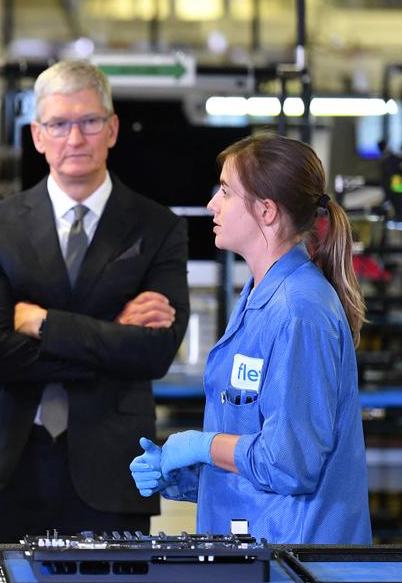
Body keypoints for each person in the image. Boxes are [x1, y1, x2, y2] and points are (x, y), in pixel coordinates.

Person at [0, 60, 190, 541]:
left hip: (112, 472)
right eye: (59, 124)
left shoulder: (157, 227)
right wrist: (111, 334)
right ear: (38, 135)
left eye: (88, 122)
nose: (75, 137)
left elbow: (152, 353)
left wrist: (43, 323)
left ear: (112, 129)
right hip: (5, 467)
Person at [130, 133, 372, 544]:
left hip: (298, 563)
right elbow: (251, 451)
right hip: (257, 549)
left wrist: (203, 446)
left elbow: (290, 463)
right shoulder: (259, 297)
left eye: (225, 191)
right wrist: (183, 477)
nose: (212, 204)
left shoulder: (300, 311)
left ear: (266, 211)